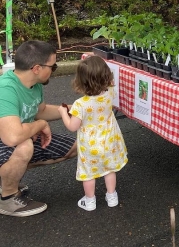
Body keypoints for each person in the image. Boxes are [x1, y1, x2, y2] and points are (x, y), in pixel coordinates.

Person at [0, 40, 76, 217]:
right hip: (8, 140)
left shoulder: (35, 84)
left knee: (76, 147)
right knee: (24, 145)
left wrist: (77, 109)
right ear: (36, 68)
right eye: (53, 66)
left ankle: (8, 177)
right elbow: (12, 137)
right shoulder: (6, 89)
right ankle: (8, 198)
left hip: (20, 138)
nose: (54, 69)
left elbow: (40, 111)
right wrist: (39, 126)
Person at [58, 56, 127, 211]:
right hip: (109, 140)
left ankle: (90, 201)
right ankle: (112, 196)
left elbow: (72, 126)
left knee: (88, 173)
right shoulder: (110, 93)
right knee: (109, 169)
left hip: (90, 145)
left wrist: (63, 112)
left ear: (81, 81)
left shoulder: (80, 105)